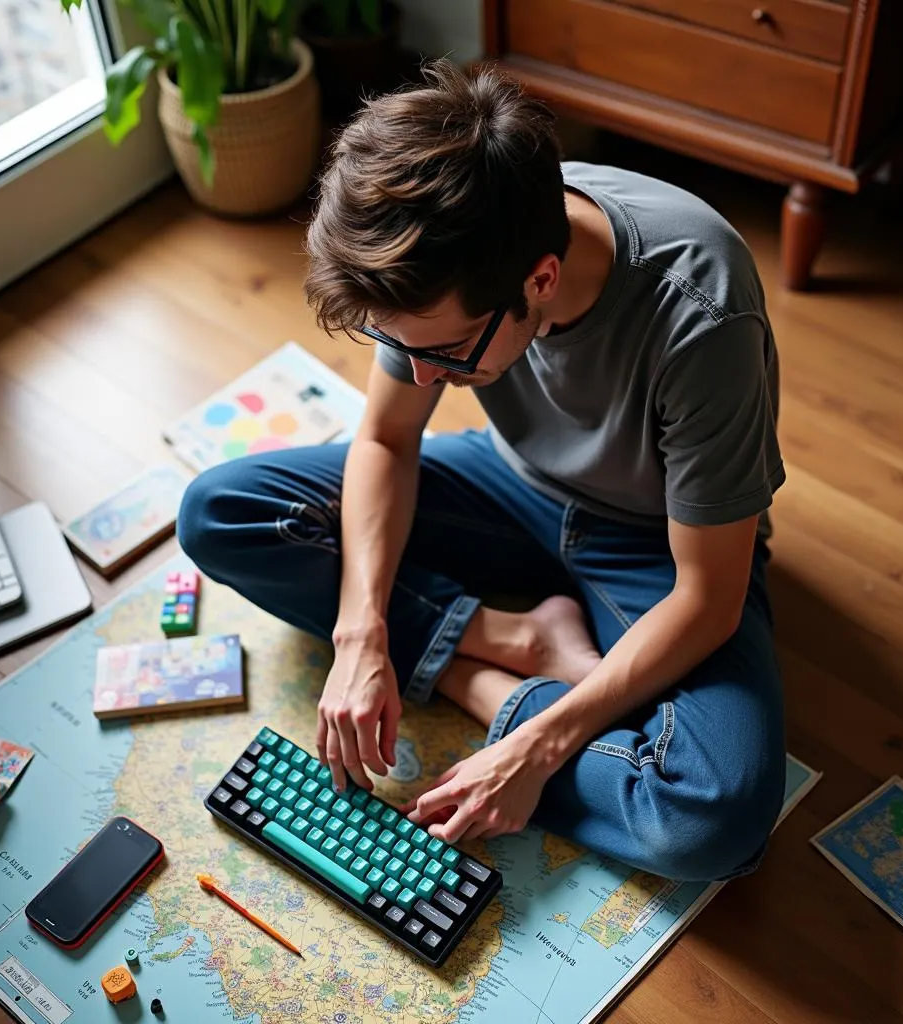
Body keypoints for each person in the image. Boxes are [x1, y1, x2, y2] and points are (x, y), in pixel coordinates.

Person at [177, 59, 787, 883]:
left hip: (656, 544)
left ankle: (479, 681)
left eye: (442, 353)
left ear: (540, 280)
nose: (421, 378)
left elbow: (707, 598)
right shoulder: (449, 244)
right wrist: (361, 636)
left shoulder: (700, 308)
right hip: (508, 485)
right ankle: (519, 639)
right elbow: (386, 441)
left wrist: (532, 742)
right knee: (220, 510)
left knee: (711, 818)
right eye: (401, 348)